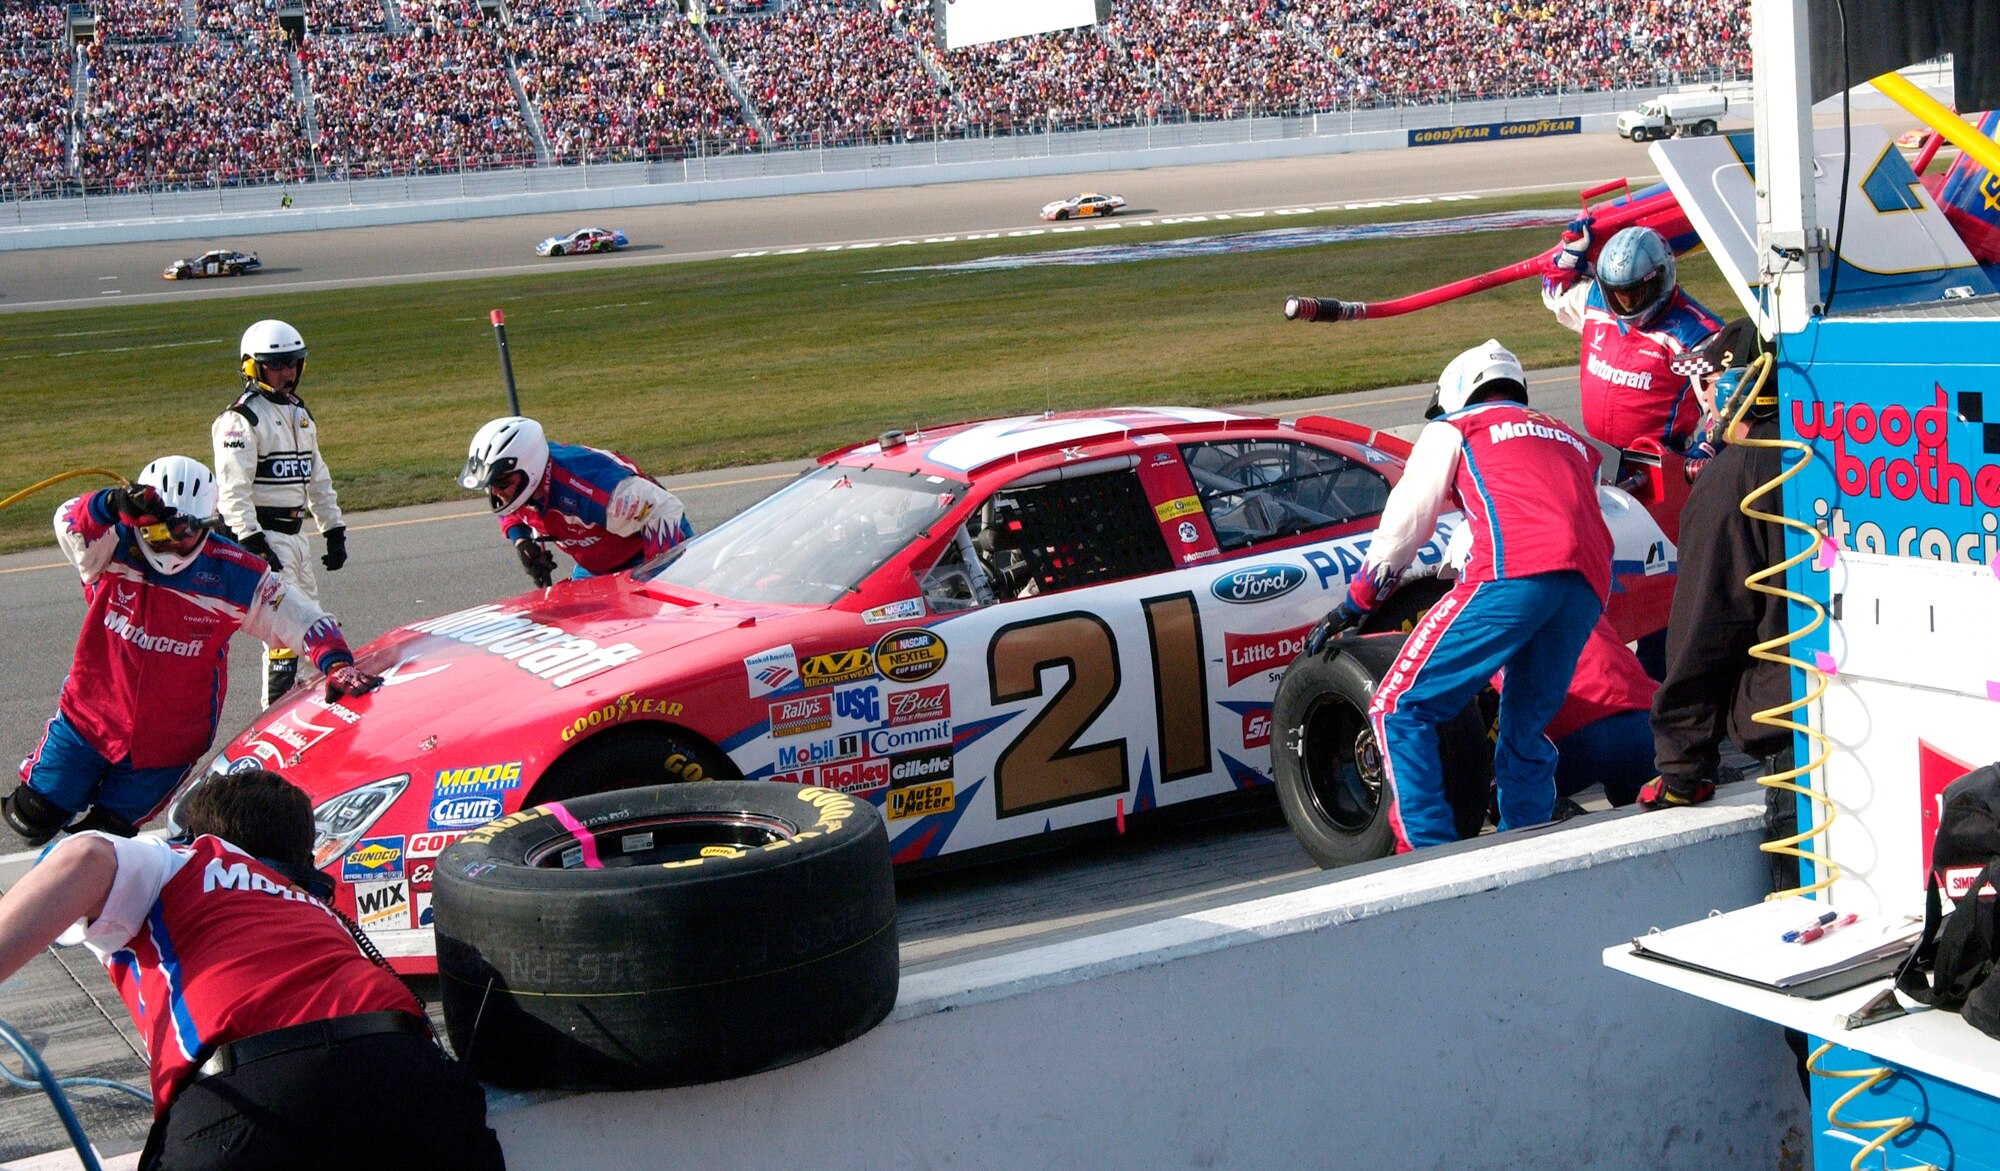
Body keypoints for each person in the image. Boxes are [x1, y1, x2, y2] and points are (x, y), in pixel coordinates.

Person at [0, 769, 505, 1171]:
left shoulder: (185, 859)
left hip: (254, 1104)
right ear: (304, 857)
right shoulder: (319, 910)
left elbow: (85, 855)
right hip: (411, 1081)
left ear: (195, 834)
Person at [1307, 339, 1613, 850]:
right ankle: (1527, 839)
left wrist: (1356, 602)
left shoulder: (1454, 427)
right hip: (1586, 584)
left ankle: (1430, 852)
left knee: (1398, 707)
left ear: (1457, 392)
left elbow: (1407, 525)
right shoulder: (1571, 438)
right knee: (1525, 725)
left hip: (1514, 572)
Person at [3, 458, 379, 847]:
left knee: (100, 843)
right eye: (154, 531)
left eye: (180, 531)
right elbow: (68, 521)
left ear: (207, 524)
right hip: (88, 720)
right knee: (31, 818)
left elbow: (301, 619)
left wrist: (336, 663)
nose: (166, 544)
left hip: (168, 745)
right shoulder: (111, 546)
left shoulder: (236, 573)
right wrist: (110, 503)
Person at [1640, 318, 1792, 809]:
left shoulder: (1734, 478)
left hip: (1796, 740)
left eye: (1706, 382)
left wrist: (1682, 768)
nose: (1701, 397)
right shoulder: (1833, 453)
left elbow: (1704, 627)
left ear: (1734, 387)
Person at [212, 319, 349, 707]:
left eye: (293, 364)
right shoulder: (241, 420)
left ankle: (314, 705)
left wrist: (333, 526)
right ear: (253, 368)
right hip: (267, 537)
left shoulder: (299, 414)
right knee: (287, 630)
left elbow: (317, 475)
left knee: (314, 625)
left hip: (296, 537)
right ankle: (274, 712)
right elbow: (232, 491)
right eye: (278, 365)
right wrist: (251, 541)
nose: (288, 373)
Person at [1542, 223, 1723, 452]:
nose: (1626, 303)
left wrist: (1704, 450)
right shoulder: (1595, 300)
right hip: (1598, 456)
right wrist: (1568, 259)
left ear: (1660, 279)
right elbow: (1554, 295)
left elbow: (1727, 406)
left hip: (1658, 465)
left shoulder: (1695, 334)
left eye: (1635, 293)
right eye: (1618, 294)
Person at [459, 415, 692, 586]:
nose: (495, 492)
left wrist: (658, 577)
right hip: (595, 564)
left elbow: (662, 509)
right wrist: (521, 540)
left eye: (500, 482)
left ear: (530, 469)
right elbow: (510, 506)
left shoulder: (592, 489)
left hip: (645, 553)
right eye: (488, 484)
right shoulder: (518, 488)